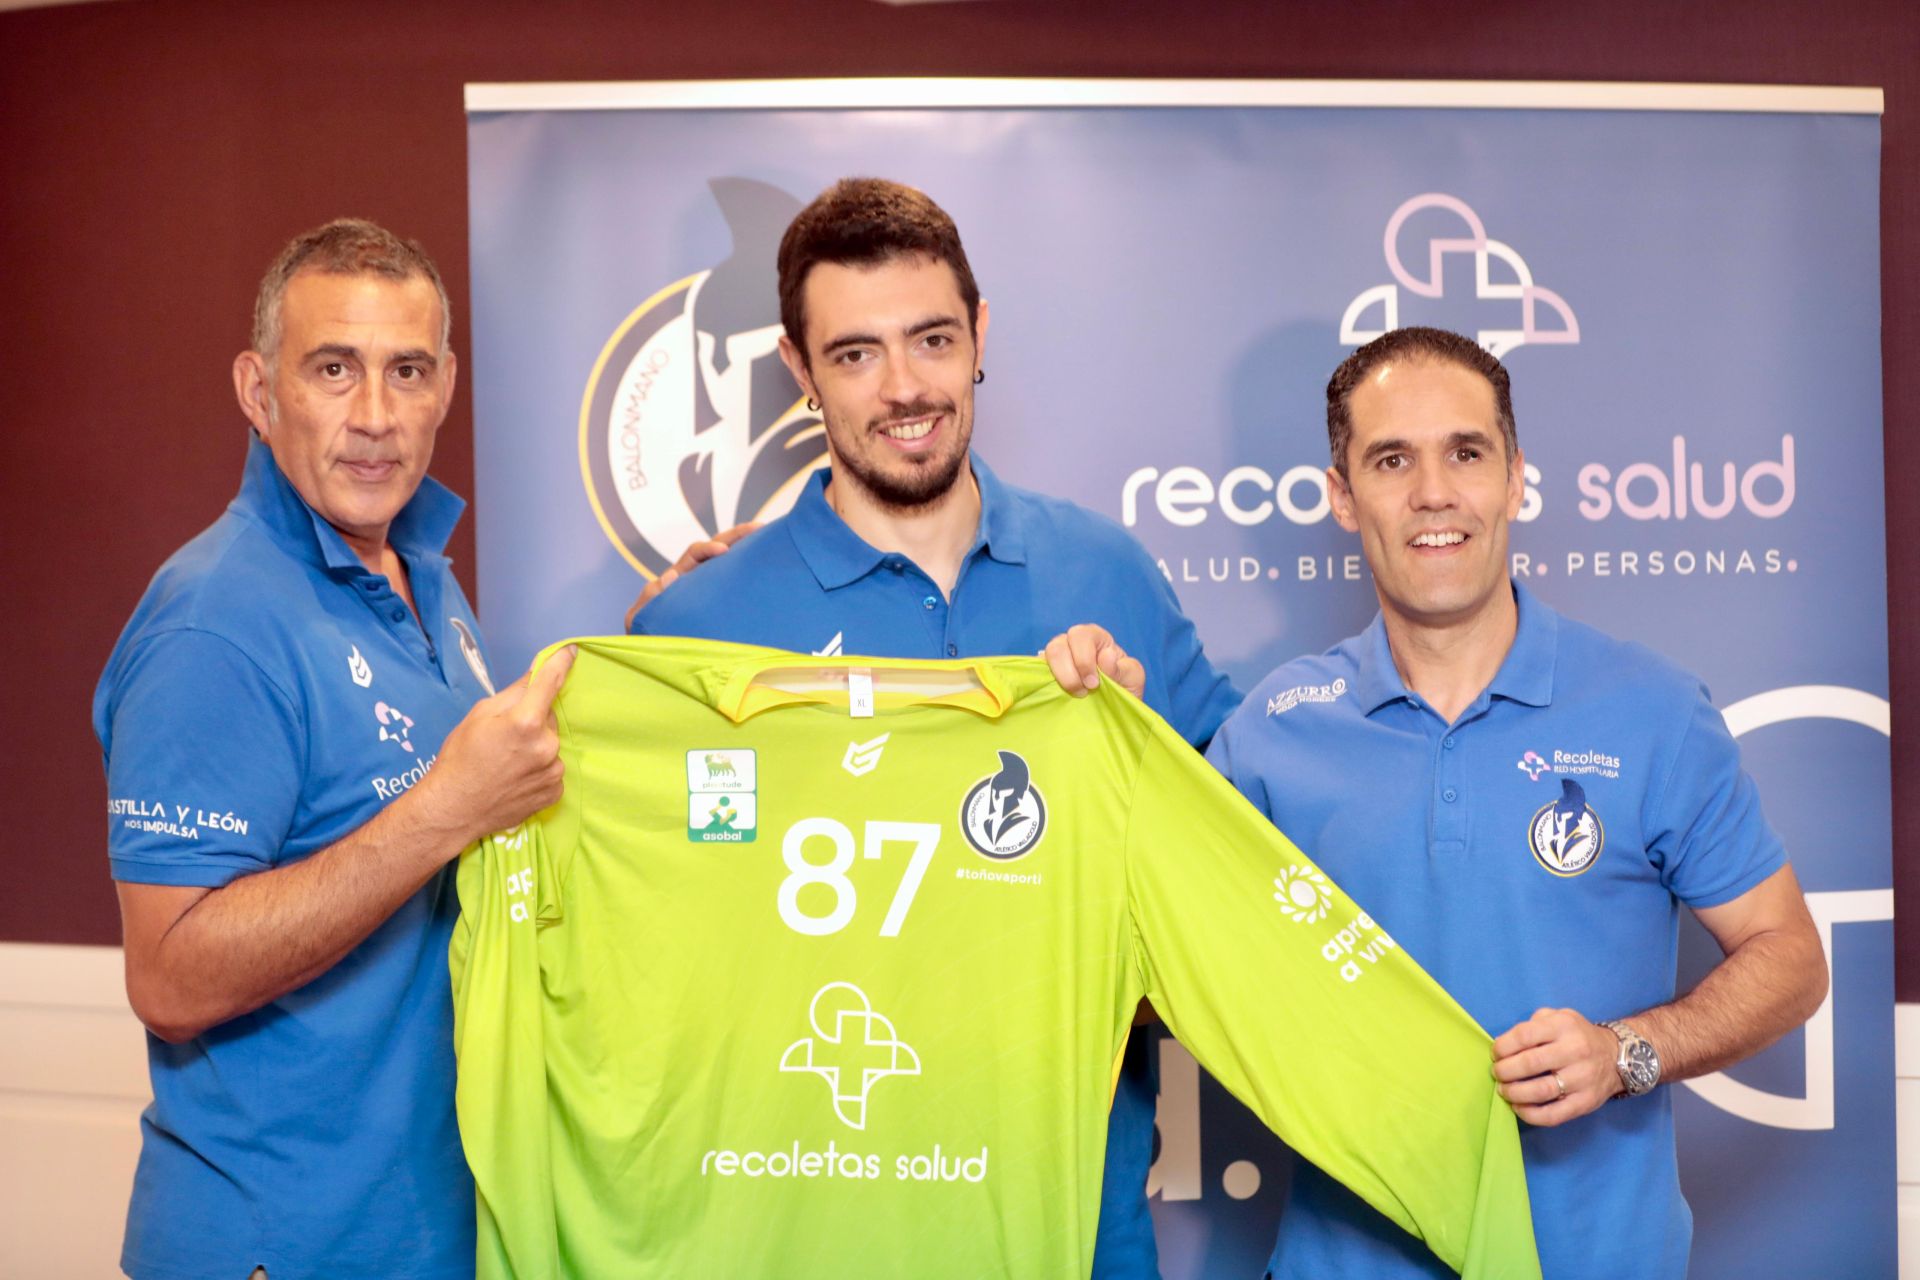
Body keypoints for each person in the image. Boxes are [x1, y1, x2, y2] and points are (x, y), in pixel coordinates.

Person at [627, 177, 1240, 1278]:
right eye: (856, 353)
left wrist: (1138, 775)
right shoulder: (701, 627)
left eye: (932, 339)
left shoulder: (1106, 576)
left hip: (1077, 1229)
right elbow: (653, 962)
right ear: (799, 370)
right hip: (808, 1236)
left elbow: (1245, 882)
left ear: (981, 335)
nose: (904, 387)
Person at [1205, 326, 1828, 1279]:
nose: (1434, 494)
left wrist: (1628, 1051)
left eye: (1466, 452)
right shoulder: (1273, 731)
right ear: (1341, 496)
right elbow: (1155, 984)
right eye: (1390, 460)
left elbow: (1790, 959)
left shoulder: (1650, 709)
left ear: (1514, 476)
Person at [94, 219, 573, 1280]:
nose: (374, 417)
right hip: (283, 1246)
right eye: (332, 369)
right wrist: (447, 807)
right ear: (259, 391)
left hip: (424, 1232)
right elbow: (169, 973)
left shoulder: (422, 580)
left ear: (446, 386)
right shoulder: (214, 623)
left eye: (406, 371)